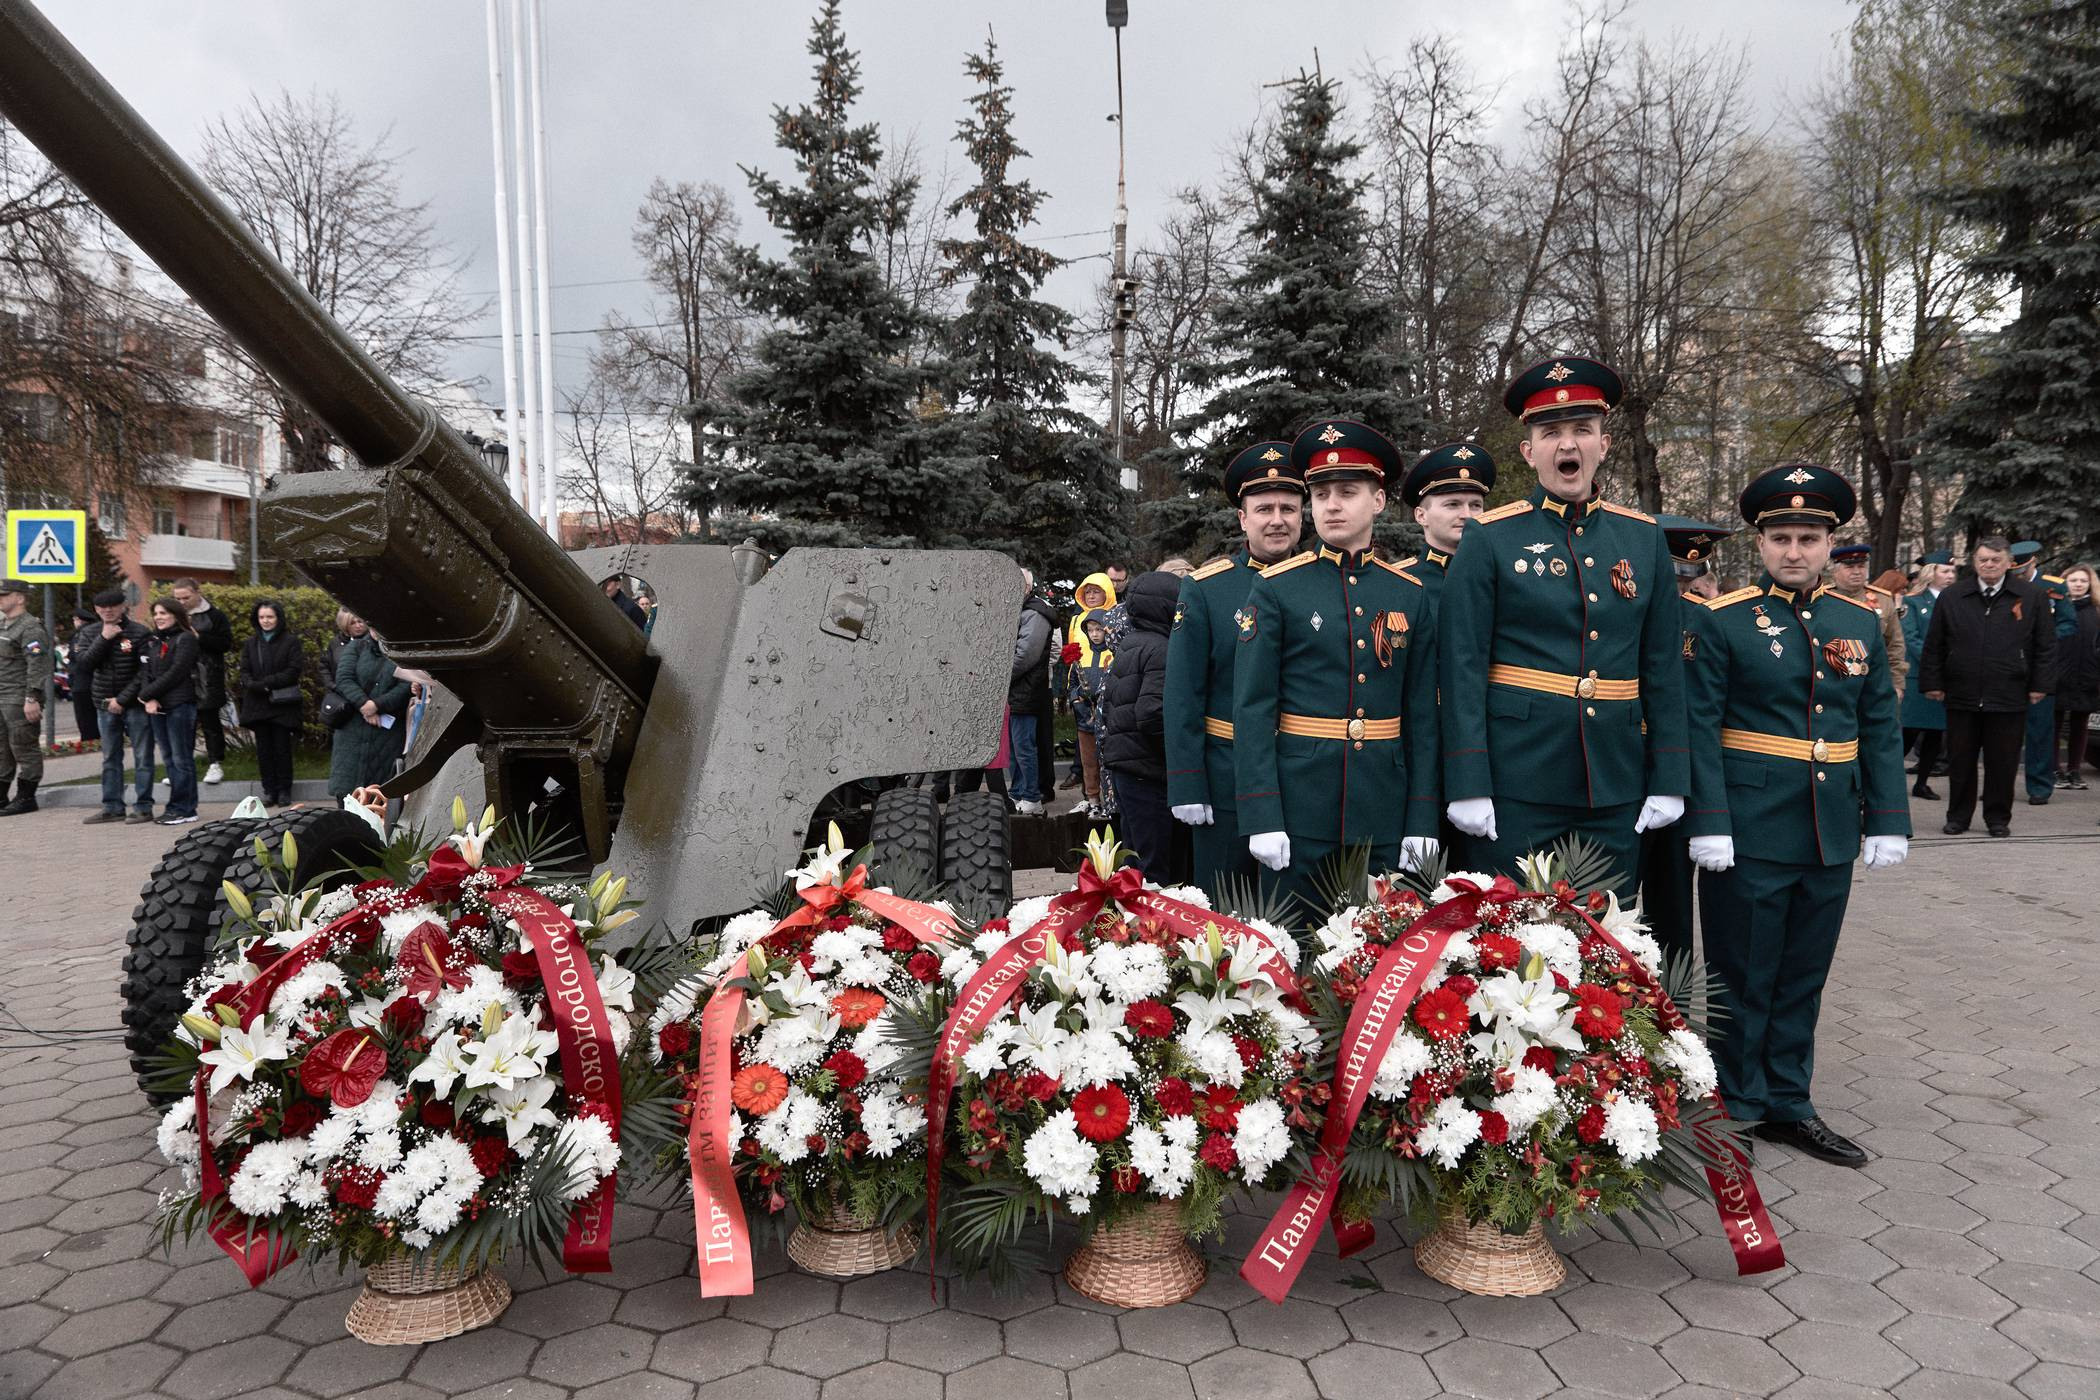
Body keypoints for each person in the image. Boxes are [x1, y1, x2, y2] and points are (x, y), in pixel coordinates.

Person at [1685, 464, 1909, 1167]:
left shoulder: (1858, 621)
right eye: (1781, 537)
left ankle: (1789, 1100)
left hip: (1829, 826)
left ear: (1828, 543)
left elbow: (1876, 723)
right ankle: (1734, 1104)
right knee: (1742, 971)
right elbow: (1699, 726)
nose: (1794, 550)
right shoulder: (1724, 621)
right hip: (1749, 826)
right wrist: (1709, 820)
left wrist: (1888, 817)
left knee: (1803, 972)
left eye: (1808, 538)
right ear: (1761, 542)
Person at [1440, 355, 1688, 891]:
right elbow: (1461, 666)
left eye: (1582, 430)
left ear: (1605, 444)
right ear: (1530, 452)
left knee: (1609, 951)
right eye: (1551, 433)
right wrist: (1468, 781)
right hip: (1517, 782)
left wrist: (1669, 777)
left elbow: (1663, 666)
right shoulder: (1489, 537)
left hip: (1616, 782)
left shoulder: (1643, 539)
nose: (1568, 445)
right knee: (1508, 951)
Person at [1234, 419, 1441, 919]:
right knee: (1296, 964)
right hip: (1300, 811)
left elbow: (1423, 718)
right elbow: (1254, 709)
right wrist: (1263, 814)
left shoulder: (1409, 594)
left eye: (1347, 491)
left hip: (1383, 809)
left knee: (1382, 958)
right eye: (1321, 493)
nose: (1330, 504)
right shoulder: (1278, 588)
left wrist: (1422, 820)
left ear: (1378, 501)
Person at [1166, 441, 1308, 899]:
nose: (1277, 519)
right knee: (1228, 912)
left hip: (1306, 773)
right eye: (1263, 508)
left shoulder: (1324, 584)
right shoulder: (1208, 590)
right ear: (1243, 519)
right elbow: (1183, 692)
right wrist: (1188, 782)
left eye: (1289, 507)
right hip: (1224, 778)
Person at [1636, 515, 1736, 964]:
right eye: (1673, 573)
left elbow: (1709, 711)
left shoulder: (1707, 623)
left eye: (1688, 577)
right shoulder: (1624, 612)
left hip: (1682, 773)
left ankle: (1671, 1009)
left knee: (1672, 903)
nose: (1680, 585)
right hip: (1622, 767)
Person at [1917, 537, 2054, 838]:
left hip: (2010, 692)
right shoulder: (1953, 596)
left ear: (2008, 562)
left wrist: (2040, 684)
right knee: (1960, 760)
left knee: (2002, 762)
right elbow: (1935, 644)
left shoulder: (2031, 596)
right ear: (1974, 562)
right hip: (1961, 692)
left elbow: (2044, 645)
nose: (1988, 565)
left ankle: (1997, 818)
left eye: (1995, 560)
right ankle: (1958, 817)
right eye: (1983, 560)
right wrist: (1933, 682)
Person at [1100, 571, 1181, 878]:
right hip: (1148, 769)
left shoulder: (1131, 643)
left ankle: (1130, 923)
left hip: (1126, 766)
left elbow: (1110, 705)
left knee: (1134, 862)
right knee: (1154, 867)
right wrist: (1177, 755)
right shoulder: (1161, 648)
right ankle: (1151, 926)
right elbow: (1151, 713)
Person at [77, 588, 154, 824]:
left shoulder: (140, 632)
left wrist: (122, 699)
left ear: (123, 606)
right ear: (96, 610)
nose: (107, 611)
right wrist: (104, 638)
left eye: (112, 606)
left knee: (143, 756)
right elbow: (85, 664)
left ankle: (143, 807)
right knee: (110, 757)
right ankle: (112, 806)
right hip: (103, 704)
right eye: (102, 608)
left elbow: (146, 671)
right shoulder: (89, 633)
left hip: (134, 705)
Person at [2009, 541, 2076, 805]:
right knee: (2003, 731)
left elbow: (2069, 623)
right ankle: (1999, 785)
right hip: (2009, 668)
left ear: (2033, 562)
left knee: (2040, 730)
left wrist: (2043, 640)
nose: (2018, 575)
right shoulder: (2005, 586)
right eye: (2014, 570)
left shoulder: (2053, 586)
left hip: (2040, 668)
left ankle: (2039, 786)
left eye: (2022, 569)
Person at [1394, 440, 1495, 605]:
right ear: (1421, 516)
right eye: (1453, 505)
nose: (1467, 515)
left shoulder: (1500, 577)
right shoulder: (1399, 583)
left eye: (1475, 505)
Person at [327, 629, 412, 802]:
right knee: (347, 790)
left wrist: (377, 705)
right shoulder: (357, 646)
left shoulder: (403, 650)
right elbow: (344, 678)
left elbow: (406, 685)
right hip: (353, 726)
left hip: (387, 729)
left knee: (380, 791)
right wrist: (364, 705)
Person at [237, 599, 307, 808]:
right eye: (262, 617)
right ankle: (269, 790)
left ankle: (285, 790)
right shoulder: (251, 643)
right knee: (264, 751)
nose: (265, 621)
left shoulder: (290, 641)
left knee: (281, 749)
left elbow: (293, 670)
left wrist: (267, 684)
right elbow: (244, 670)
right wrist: (252, 684)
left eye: (270, 617)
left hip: (281, 704)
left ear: (278, 618)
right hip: (257, 704)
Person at [138, 597, 201, 825]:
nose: (159, 617)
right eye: (156, 613)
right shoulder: (155, 640)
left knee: (181, 758)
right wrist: (149, 696)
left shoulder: (185, 639)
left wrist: (147, 695)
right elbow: (146, 671)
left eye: (164, 613)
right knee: (169, 759)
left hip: (180, 705)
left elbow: (176, 672)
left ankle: (185, 808)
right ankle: (176, 806)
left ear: (175, 615)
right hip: (157, 706)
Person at [168, 578, 233, 786]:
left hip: (207, 676)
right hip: (180, 677)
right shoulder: (173, 616)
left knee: (209, 722)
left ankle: (215, 763)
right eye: (177, 599)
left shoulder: (215, 616)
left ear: (198, 593)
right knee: (181, 724)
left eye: (186, 597)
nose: (182, 602)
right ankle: (181, 767)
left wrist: (199, 637)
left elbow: (225, 644)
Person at [1901, 550, 1955, 799]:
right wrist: (1939, 662)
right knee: (1907, 734)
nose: (1950, 576)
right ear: (1930, 573)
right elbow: (1910, 638)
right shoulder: (1913, 602)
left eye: (1953, 571)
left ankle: (1922, 782)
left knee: (1935, 732)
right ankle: (1886, 781)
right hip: (1919, 677)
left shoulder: (1955, 601)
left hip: (1945, 678)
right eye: (1945, 571)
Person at [1006, 571, 1058, 815]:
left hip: (1026, 690)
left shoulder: (1035, 613)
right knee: (1015, 748)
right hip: (1017, 691)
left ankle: (1031, 797)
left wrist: (1000, 676)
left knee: (1024, 747)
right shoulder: (1020, 610)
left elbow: (1026, 655)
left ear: (1027, 587)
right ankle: (1018, 792)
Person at [0, 579, 53, 817]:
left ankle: (26, 797)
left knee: (23, 747)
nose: (0, 599)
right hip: (2, 695)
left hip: (18, 697)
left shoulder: (30, 627)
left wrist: (32, 697)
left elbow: (37, 665)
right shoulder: (4, 625)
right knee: (2, 749)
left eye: (4, 594)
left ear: (20, 598)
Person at [1828, 543, 1907, 700]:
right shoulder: (1821, 598)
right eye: (1850, 567)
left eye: (1862, 566)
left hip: (1873, 681)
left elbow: (1895, 645)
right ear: (1835, 570)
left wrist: (1897, 683)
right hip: (1831, 682)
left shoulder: (1883, 600)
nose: (1857, 572)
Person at [2052, 563, 2097, 790]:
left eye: (2083, 581)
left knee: (2080, 725)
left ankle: (2074, 770)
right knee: (2054, 723)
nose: (2078, 584)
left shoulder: (2096, 611)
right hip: (2057, 675)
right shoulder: (2055, 607)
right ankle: (2054, 770)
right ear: (2065, 582)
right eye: (2074, 580)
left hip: (2086, 676)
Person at [1067, 614, 1115, 820]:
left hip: (1108, 721)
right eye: (1091, 630)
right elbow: (1072, 684)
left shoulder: (1114, 653)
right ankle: (1093, 800)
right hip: (1085, 718)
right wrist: (1076, 700)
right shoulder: (1081, 655)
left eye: (1099, 629)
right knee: (1089, 762)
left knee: (1109, 761)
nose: (1095, 635)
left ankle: (1111, 800)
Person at [65, 606, 98, 744]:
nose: (74, 622)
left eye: (75, 619)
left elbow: (78, 658)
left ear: (80, 620)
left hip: (83, 682)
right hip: (84, 682)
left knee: (85, 718)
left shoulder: (81, 635)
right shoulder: (88, 633)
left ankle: (90, 743)